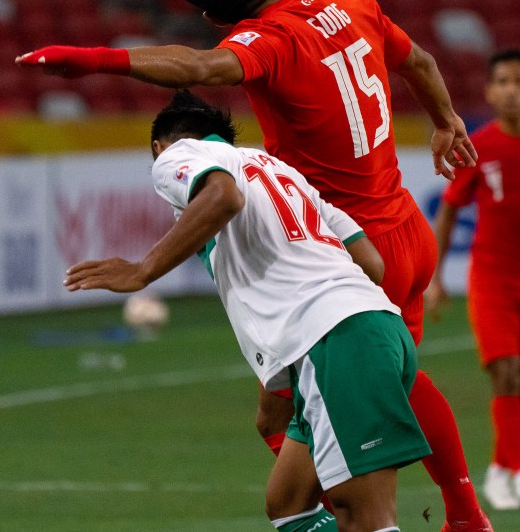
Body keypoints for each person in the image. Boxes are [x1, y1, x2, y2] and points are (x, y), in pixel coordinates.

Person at [17, 0, 491, 532]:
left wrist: (93, 61)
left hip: (345, 248)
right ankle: (461, 513)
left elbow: (199, 66)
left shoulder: (269, 42)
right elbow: (419, 61)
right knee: (361, 390)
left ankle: (397, 510)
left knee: (339, 408)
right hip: (402, 228)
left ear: (215, 17)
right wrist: (446, 120)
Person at [65, 91, 432, 531]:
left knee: (366, 518)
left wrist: (142, 271)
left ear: (159, 148)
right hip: (371, 330)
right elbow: (371, 264)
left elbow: (223, 196)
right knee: (289, 505)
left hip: (337, 340)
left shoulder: (179, 154)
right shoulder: (282, 173)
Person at [424, 49, 520, 511]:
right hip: (492, 279)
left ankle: (499, 468)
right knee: (505, 371)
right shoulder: (478, 146)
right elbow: (449, 210)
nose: (512, 90)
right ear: (490, 92)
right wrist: (435, 277)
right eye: (503, 82)